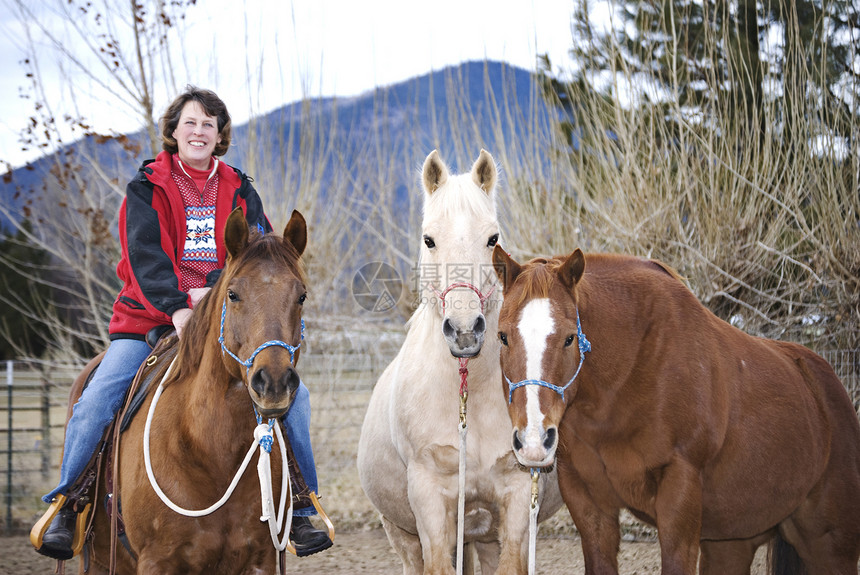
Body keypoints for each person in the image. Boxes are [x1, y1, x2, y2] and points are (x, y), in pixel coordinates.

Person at [33, 86, 332, 560]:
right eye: (190, 123)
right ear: (173, 131)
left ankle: (299, 505)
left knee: (296, 396)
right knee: (99, 397)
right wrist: (177, 305)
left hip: (223, 318)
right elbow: (144, 257)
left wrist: (222, 297)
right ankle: (69, 503)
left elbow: (255, 257)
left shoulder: (239, 187)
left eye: (208, 125)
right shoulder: (147, 186)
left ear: (219, 136)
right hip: (148, 319)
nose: (199, 132)